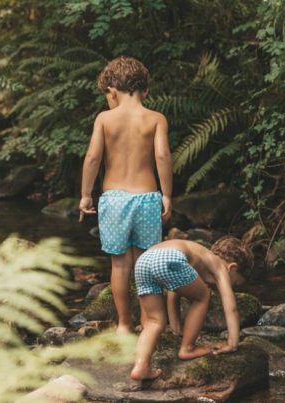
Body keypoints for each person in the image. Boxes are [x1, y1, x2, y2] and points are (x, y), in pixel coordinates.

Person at [78, 56, 173, 335]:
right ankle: (148, 321)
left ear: (112, 90)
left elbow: (93, 157)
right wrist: (166, 194)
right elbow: (162, 156)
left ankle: (123, 324)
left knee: (119, 265)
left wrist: (86, 195)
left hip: (114, 199)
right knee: (145, 263)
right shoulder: (156, 119)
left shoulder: (105, 119)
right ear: (144, 90)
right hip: (146, 197)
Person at [129, 236, 252, 380]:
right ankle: (188, 348)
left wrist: (176, 328)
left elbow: (173, 292)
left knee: (154, 322)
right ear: (233, 267)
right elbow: (231, 308)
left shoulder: (198, 260)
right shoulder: (219, 267)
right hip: (167, 258)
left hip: (143, 261)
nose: (233, 287)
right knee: (203, 297)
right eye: (236, 284)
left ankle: (140, 367)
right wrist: (232, 343)